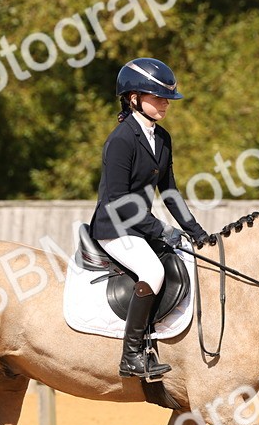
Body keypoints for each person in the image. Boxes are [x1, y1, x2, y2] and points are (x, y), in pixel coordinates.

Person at [88, 58, 210, 379]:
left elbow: (169, 192)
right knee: (153, 271)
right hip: (114, 227)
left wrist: (197, 232)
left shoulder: (162, 138)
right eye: (158, 97)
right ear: (134, 98)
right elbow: (117, 201)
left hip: (140, 227)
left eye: (167, 98)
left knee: (184, 260)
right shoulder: (121, 140)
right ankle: (131, 356)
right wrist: (160, 229)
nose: (165, 103)